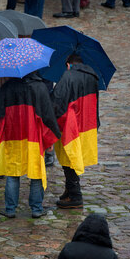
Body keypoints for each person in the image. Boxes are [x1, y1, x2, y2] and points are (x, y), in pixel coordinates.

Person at [0, 72, 61, 219]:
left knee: (12, 172)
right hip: (34, 137)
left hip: (13, 136)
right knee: (36, 172)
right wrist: (51, 139)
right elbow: (47, 115)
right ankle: (36, 208)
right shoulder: (40, 87)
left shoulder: (7, 87)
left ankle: (10, 209)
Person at [51, 55, 99, 209]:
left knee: (68, 158)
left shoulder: (68, 76)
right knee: (75, 156)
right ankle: (69, 190)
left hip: (70, 125)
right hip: (87, 124)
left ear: (68, 64)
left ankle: (75, 195)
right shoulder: (92, 76)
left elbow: (57, 101)